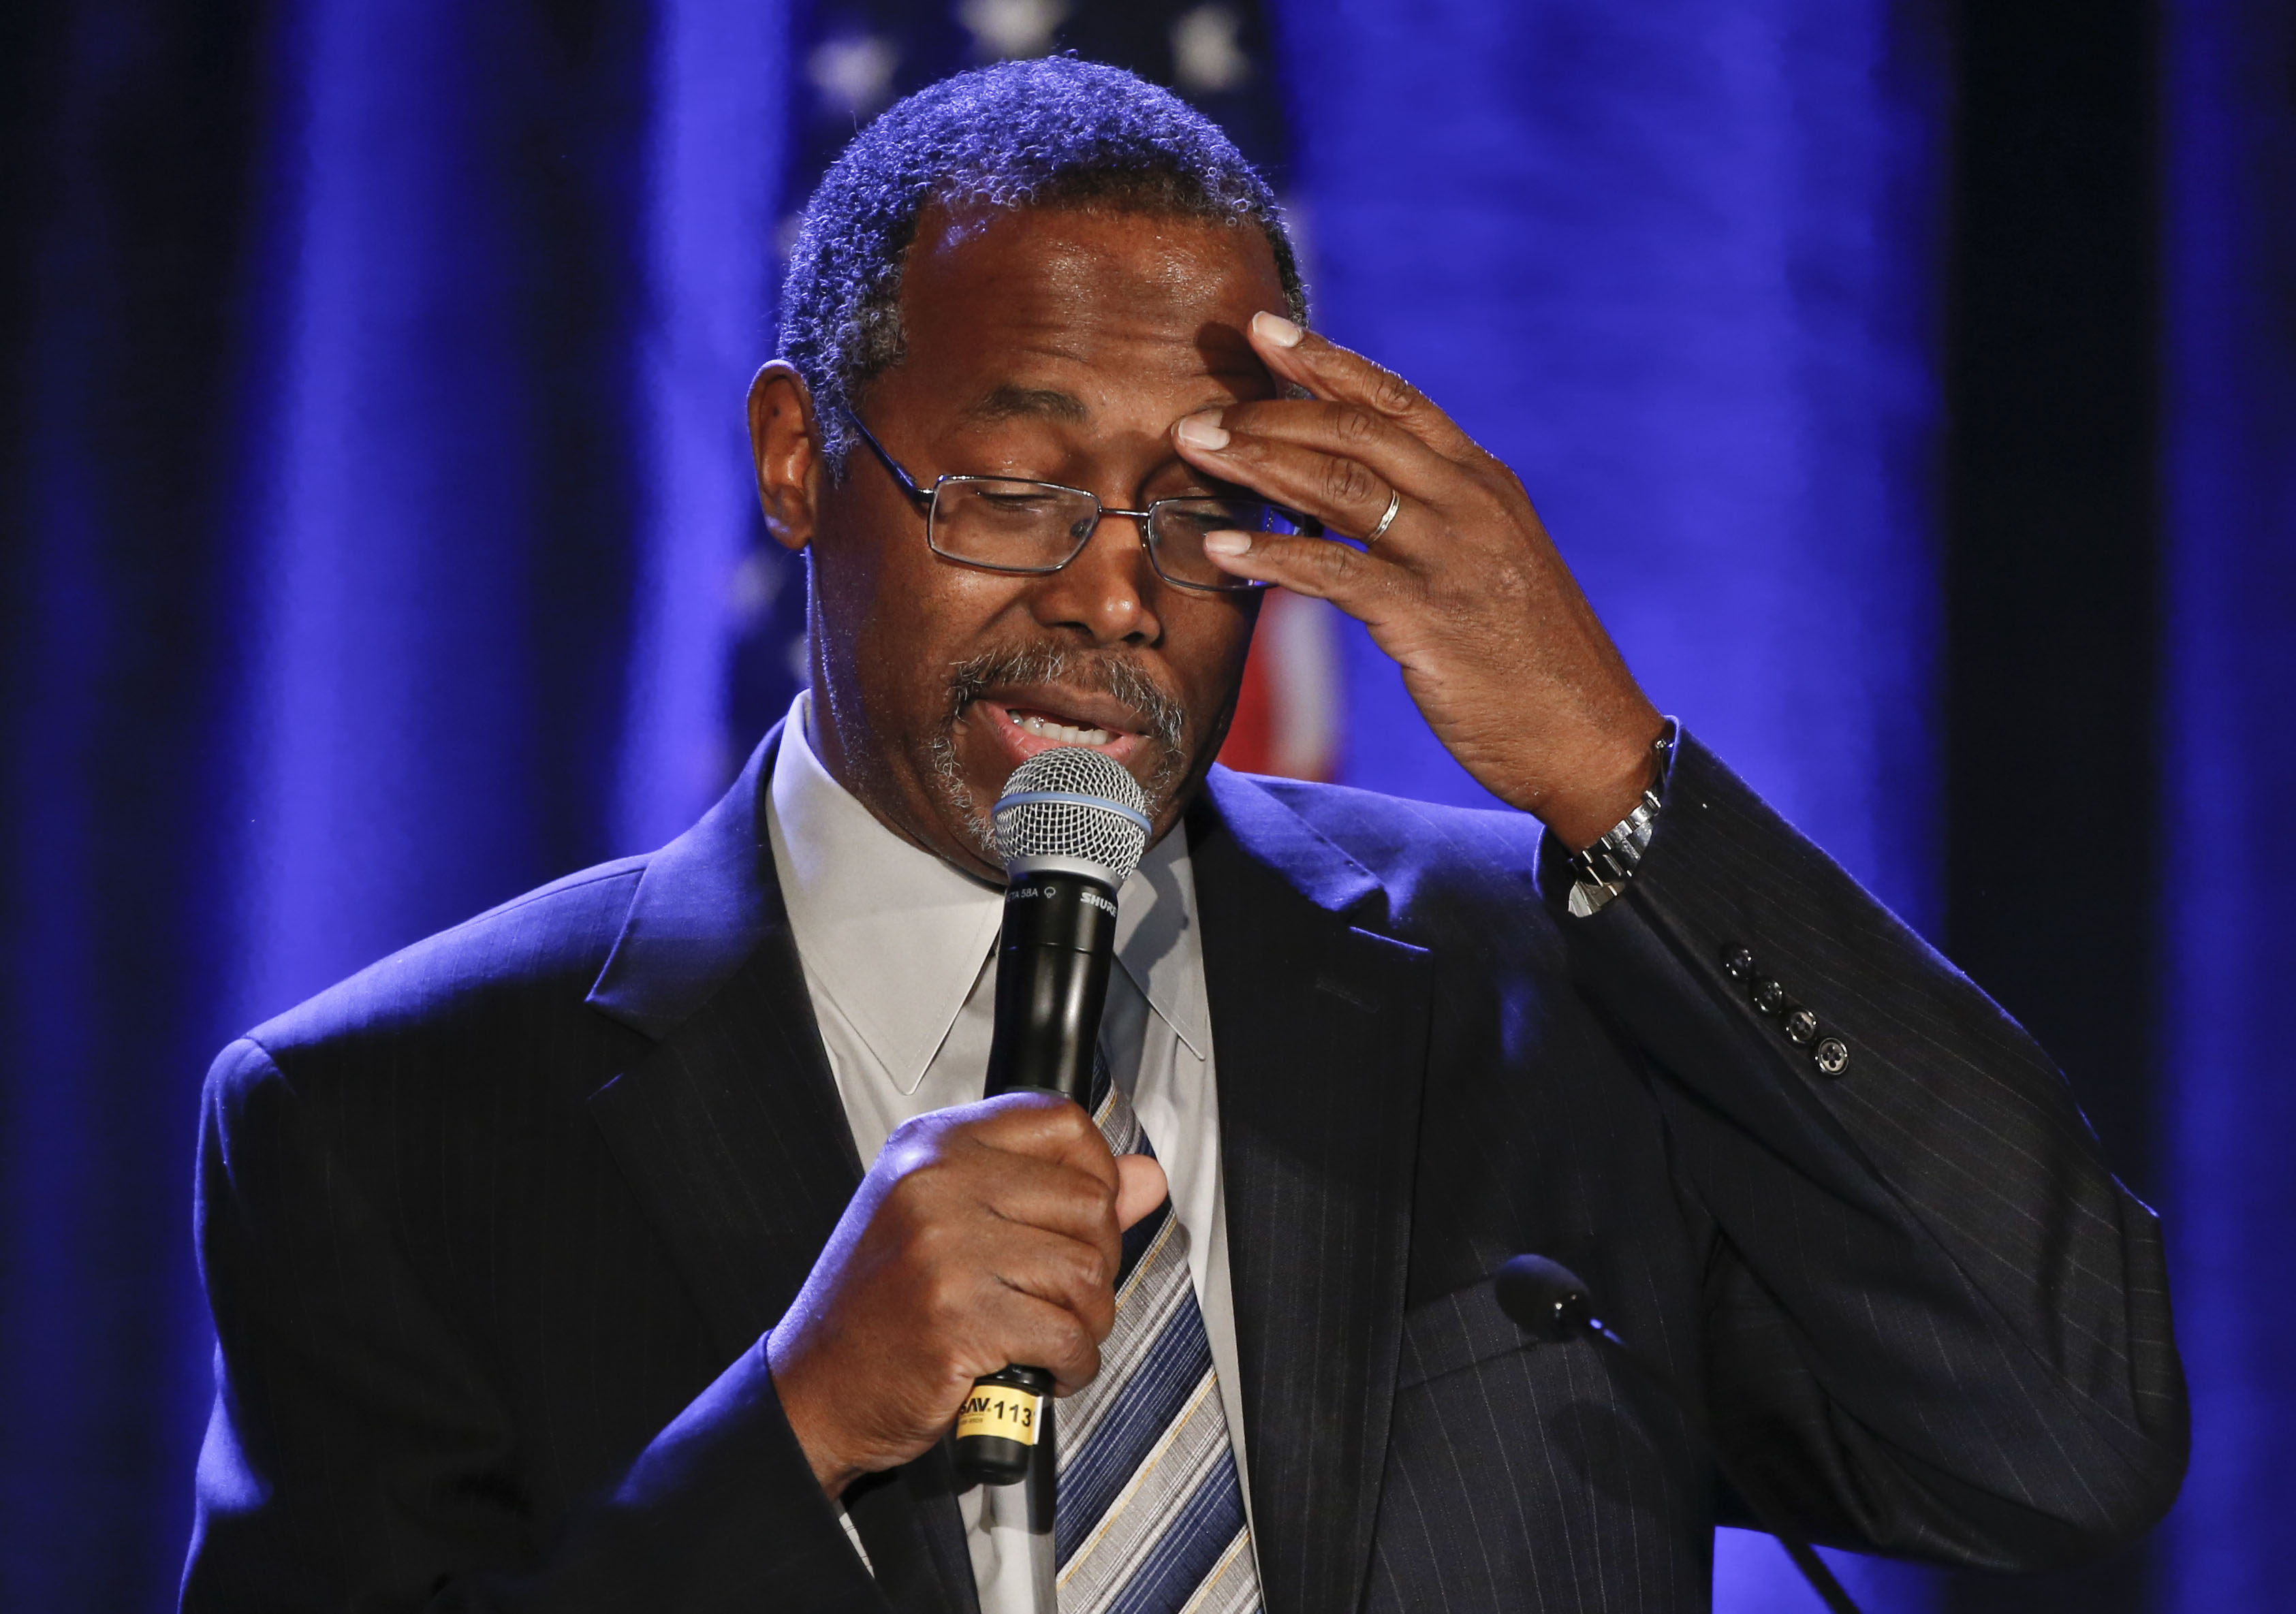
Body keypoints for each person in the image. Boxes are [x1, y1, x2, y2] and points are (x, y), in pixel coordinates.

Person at [182, 58, 2185, 1614]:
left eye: (1197, 515)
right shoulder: (394, 1123)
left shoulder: (1542, 984)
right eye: (1014, 489)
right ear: (801, 462)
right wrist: (795, 1427)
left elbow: (2062, 1432)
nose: (1113, 599)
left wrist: (1608, 772)